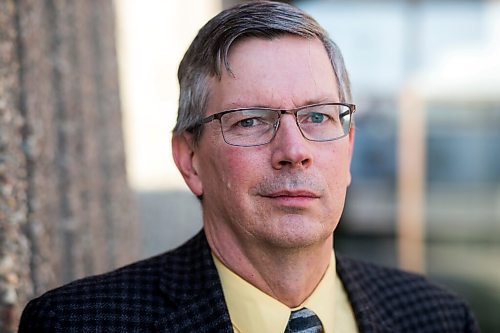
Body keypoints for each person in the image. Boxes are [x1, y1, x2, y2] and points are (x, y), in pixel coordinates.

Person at [19, 1, 478, 332]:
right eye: (252, 120)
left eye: (317, 116)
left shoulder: (439, 318)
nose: (293, 150)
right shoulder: (77, 323)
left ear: (350, 146)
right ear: (190, 159)